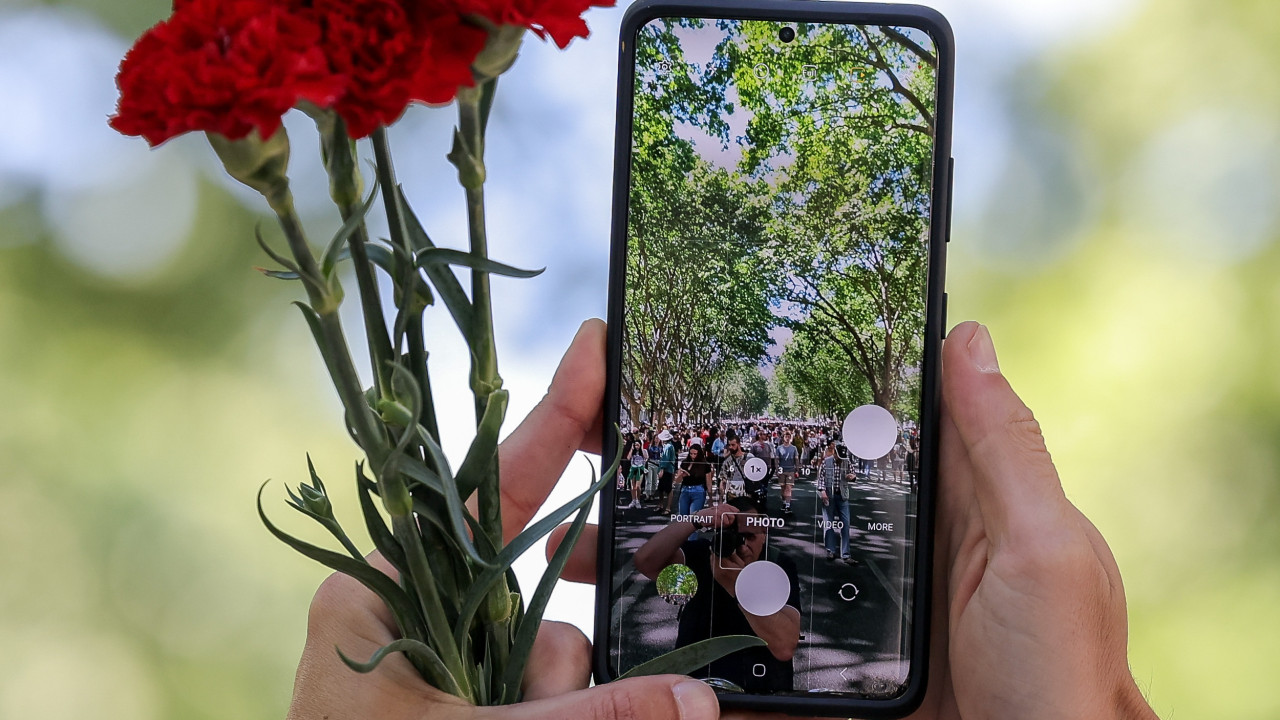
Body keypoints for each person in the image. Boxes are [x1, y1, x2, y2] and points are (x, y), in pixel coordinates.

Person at [289, 320, 1160, 720]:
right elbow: (641, 569)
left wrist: (742, 582)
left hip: (745, 673)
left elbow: (784, 644)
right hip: (674, 665)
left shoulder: (770, 542)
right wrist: (693, 535)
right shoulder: (704, 532)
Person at [634, 496, 801, 693]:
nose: (743, 545)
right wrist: (696, 520)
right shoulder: (703, 555)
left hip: (758, 690)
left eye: (751, 536)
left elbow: (785, 646)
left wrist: (738, 587)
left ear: (764, 533)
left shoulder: (778, 565)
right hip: (697, 686)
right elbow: (645, 562)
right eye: (735, 536)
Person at [818, 441, 854, 562]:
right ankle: (830, 551)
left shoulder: (846, 461)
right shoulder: (826, 462)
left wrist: (852, 477)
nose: (841, 458)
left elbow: (853, 473)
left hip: (842, 496)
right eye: (839, 456)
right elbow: (821, 478)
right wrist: (822, 491)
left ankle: (846, 554)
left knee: (846, 524)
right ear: (834, 453)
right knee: (828, 523)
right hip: (829, 495)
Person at [775, 429, 798, 515]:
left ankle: (788, 505)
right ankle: (784, 502)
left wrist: (797, 469)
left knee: (789, 487)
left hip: (790, 470)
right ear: (783, 438)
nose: (787, 438)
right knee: (783, 488)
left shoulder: (794, 448)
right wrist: (777, 469)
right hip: (782, 470)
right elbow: (777, 459)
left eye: (789, 437)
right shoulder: (779, 448)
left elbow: (796, 458)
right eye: (786, 436)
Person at [656, 430, 677, 513]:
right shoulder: (667, 446)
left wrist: (662, 469)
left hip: (667, 470)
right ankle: (661, 505)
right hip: (666, 469)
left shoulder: (668, 447)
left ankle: (668, 507)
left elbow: (666, 459)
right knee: (661, 488)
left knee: (668, 488)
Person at [626, 440, 646, 509]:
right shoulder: (633, 451)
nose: (636, 446)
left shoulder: (643, 451)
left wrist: (642, 447)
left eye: (638, 445)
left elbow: (646, 457)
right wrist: (631, 449)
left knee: (638, 486)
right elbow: (628, 458)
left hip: (640, 469)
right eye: (635, 445)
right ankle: (633, 500)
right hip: (633, 469)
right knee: (632, 486)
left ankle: (638, 500)